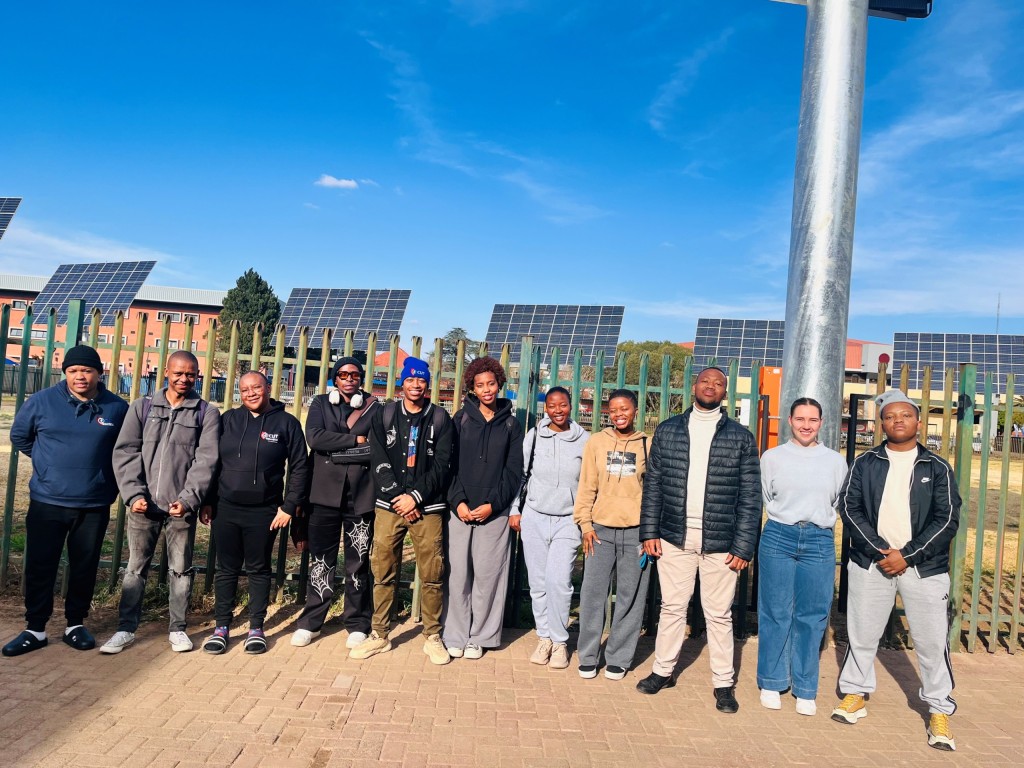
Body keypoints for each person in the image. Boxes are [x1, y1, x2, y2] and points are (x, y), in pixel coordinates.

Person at [832, 390, 961, 752]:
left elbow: (947, 518)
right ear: (881, 424)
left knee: (932, 642)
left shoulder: (936, 468)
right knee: (862, 633)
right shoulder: (865, 463)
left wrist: (907, 555)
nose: (898, 421)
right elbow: (848, 506)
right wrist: (878, 551)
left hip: (924, 568)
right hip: (871, 564)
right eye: (890, 417)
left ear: (918, 422)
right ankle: (855, 695)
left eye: (905, 415)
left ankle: (938, 709)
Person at [636, 366, 761, 714]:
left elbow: (751, 497)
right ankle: (663, 671)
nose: (711, 386)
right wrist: (649, 531)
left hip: (722, 542)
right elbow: (654, 484)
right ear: (695, 386)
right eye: (705, 381)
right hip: (674, 536)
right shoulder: (669, 430)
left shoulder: (740, 437)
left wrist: (744, 545)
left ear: (725, 392)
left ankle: (723, 683)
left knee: (719, 615)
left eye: (718, 383)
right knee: (672, 608)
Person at [3, 346, 129, 657]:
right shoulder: (42, 401)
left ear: (99, 373)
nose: (80, 376)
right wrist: (47, 463)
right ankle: (35, 628)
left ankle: (75, 624)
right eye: (73, 371)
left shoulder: (116, 407)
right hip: (48, 501)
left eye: (86, 371)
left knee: (84, 566)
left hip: (93, 502)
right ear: (65, 372)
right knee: (40, 564)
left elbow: (125, 448)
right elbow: (20, 436)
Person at [101, 351, 221, 655]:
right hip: (143, 507)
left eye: (190, 374)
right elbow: (126, 452)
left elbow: (206, 460)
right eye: (178, 373)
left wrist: (189, 499)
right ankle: (126, 628)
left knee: (180, 570)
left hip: (180, 510)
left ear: (197, 376)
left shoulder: (205, 412)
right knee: (135, 569)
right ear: (165, 372)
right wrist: (134, 495)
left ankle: (178, 629)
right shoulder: (142, 408)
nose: (184, 379)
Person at [352, 357, 453, 664]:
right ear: (402, 382)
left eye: (421, 380)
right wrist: (399, 496)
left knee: (433, 572)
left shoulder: (439, 418)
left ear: (428, 384)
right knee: (382, 570)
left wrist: (416, 497)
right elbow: (378, 458)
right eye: (410, 380)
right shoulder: (384, 414)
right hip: (389, 505)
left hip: (428, 507)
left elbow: (442, 466)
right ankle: (379, 635)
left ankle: (432, 635)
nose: (416, 385)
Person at [201, 372, 308, 655]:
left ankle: (256, 629)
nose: (250, 393)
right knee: (226, 569)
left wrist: (289, 506)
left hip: (265, 511)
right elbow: (212, 463)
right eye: (245, 389)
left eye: (256, 388)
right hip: (226, 507)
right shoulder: (227, 421)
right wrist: (208, 500)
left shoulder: (287, 423)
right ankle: (221, 628)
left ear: (268, 388)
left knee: (259, 569)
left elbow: (299, 467)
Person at [755, 397, 848, 715]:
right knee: (775, 612)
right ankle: (772, 680)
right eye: (800, 419)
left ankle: (805, 687)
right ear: (790, 421)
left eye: (813, 419)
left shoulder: (835, 461)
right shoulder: (772, 457)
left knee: (812, 616)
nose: (806, 425)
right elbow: (767, 495)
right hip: (779, 536)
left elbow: (836, 499)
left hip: (819, 540)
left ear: (821, 423)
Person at [291, 357, 380, 651]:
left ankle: (357, 622)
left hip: (360, 495)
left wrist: (339, 445)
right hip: (323, 495)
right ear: (334, 379)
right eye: (342, 374)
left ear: (361, 379)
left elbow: (377, 447)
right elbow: (315, 438)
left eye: (354, 374)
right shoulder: (319, 404)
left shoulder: (374, 407)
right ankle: (312, 621)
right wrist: (355, 441)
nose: (349, 378)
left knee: (358, 562)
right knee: (321, 560)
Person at [443, 357, 524, 659]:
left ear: (499, 384)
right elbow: (446, 465)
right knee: (458, 575)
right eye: (480, 385)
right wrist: (458, 501)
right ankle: (455, 633)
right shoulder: (459, 420)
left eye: (491, 383)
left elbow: (513, 472)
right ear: (472, 389)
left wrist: (493, 505)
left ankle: (482, 636)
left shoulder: (512, 425)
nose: (487, 389)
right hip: (460, 510)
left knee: (488, 576)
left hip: (495, 512)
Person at [574, 389, 650, 680]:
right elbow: (586, 486)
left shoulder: (646, 443)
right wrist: (586, 525)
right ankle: (589, 655)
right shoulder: (596, 442)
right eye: (614, 410)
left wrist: (649, 532)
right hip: (600, 531)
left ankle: (619, 656)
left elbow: (653, 491)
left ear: (635, 410)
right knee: (593, 594)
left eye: (625, 409)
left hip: (636, 533)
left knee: (631, 596)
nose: (619, 414)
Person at [511, 387, 589, 670]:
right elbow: (521, 475)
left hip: (568, 520)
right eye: (552, 405)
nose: (558, 410)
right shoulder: (533, 437)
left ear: (571, 406)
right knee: (539, 583)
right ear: (546, 408)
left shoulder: (585, 440)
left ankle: (560, 640)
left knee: (560, 582)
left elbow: (589, 482)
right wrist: (515, 510)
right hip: (534, 515)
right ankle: (544, 637)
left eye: (563, 405)